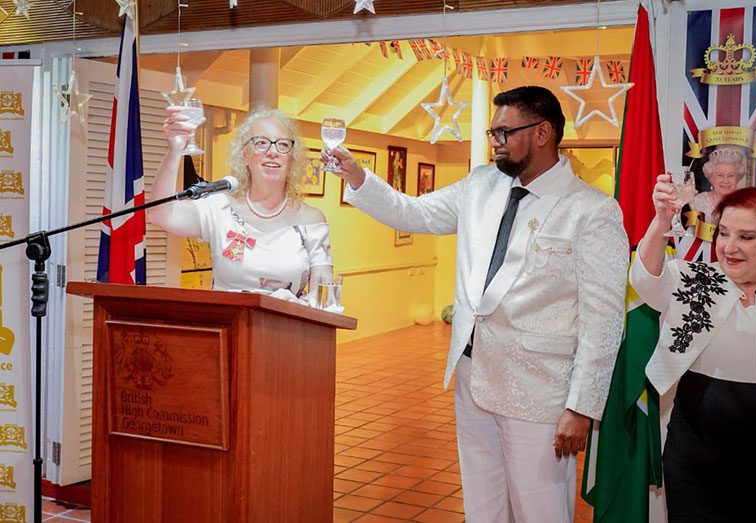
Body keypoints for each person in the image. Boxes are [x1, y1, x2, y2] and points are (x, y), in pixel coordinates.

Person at [323, 85, 628, 522]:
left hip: (539, 390)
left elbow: (604, 321)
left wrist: (581, 407)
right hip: (472, 373)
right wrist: (356, 176)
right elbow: (414, 213)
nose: (495, 142)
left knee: (539, 509)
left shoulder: (592, 210)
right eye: (493, 132)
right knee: (483, 507)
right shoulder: (481, 184)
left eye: (505, 132)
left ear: (543, 133)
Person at [631, 180, 756, 522]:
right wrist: (662, 220)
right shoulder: (693, 278)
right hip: (695, 455)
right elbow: (645, 281)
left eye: (746, 237)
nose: (729, 247)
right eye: (723, 233)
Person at [148, 105, 333, 302]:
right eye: (261, 143)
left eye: (283, 145)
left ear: (292, 157)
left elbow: (325, 297)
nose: (272, 152)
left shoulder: (311, 220)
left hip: (288, 329)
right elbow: (159, 215)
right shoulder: (219, 208)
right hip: (226, 327)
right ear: (245, 154)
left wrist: (296, 306)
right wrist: (175, 151)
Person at [687, 144, 748, 220]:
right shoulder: (698, 202)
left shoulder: (747, 203)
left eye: (731, 175)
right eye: (720, 175)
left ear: (738, 177)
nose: (725, 180)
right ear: (711, 177)